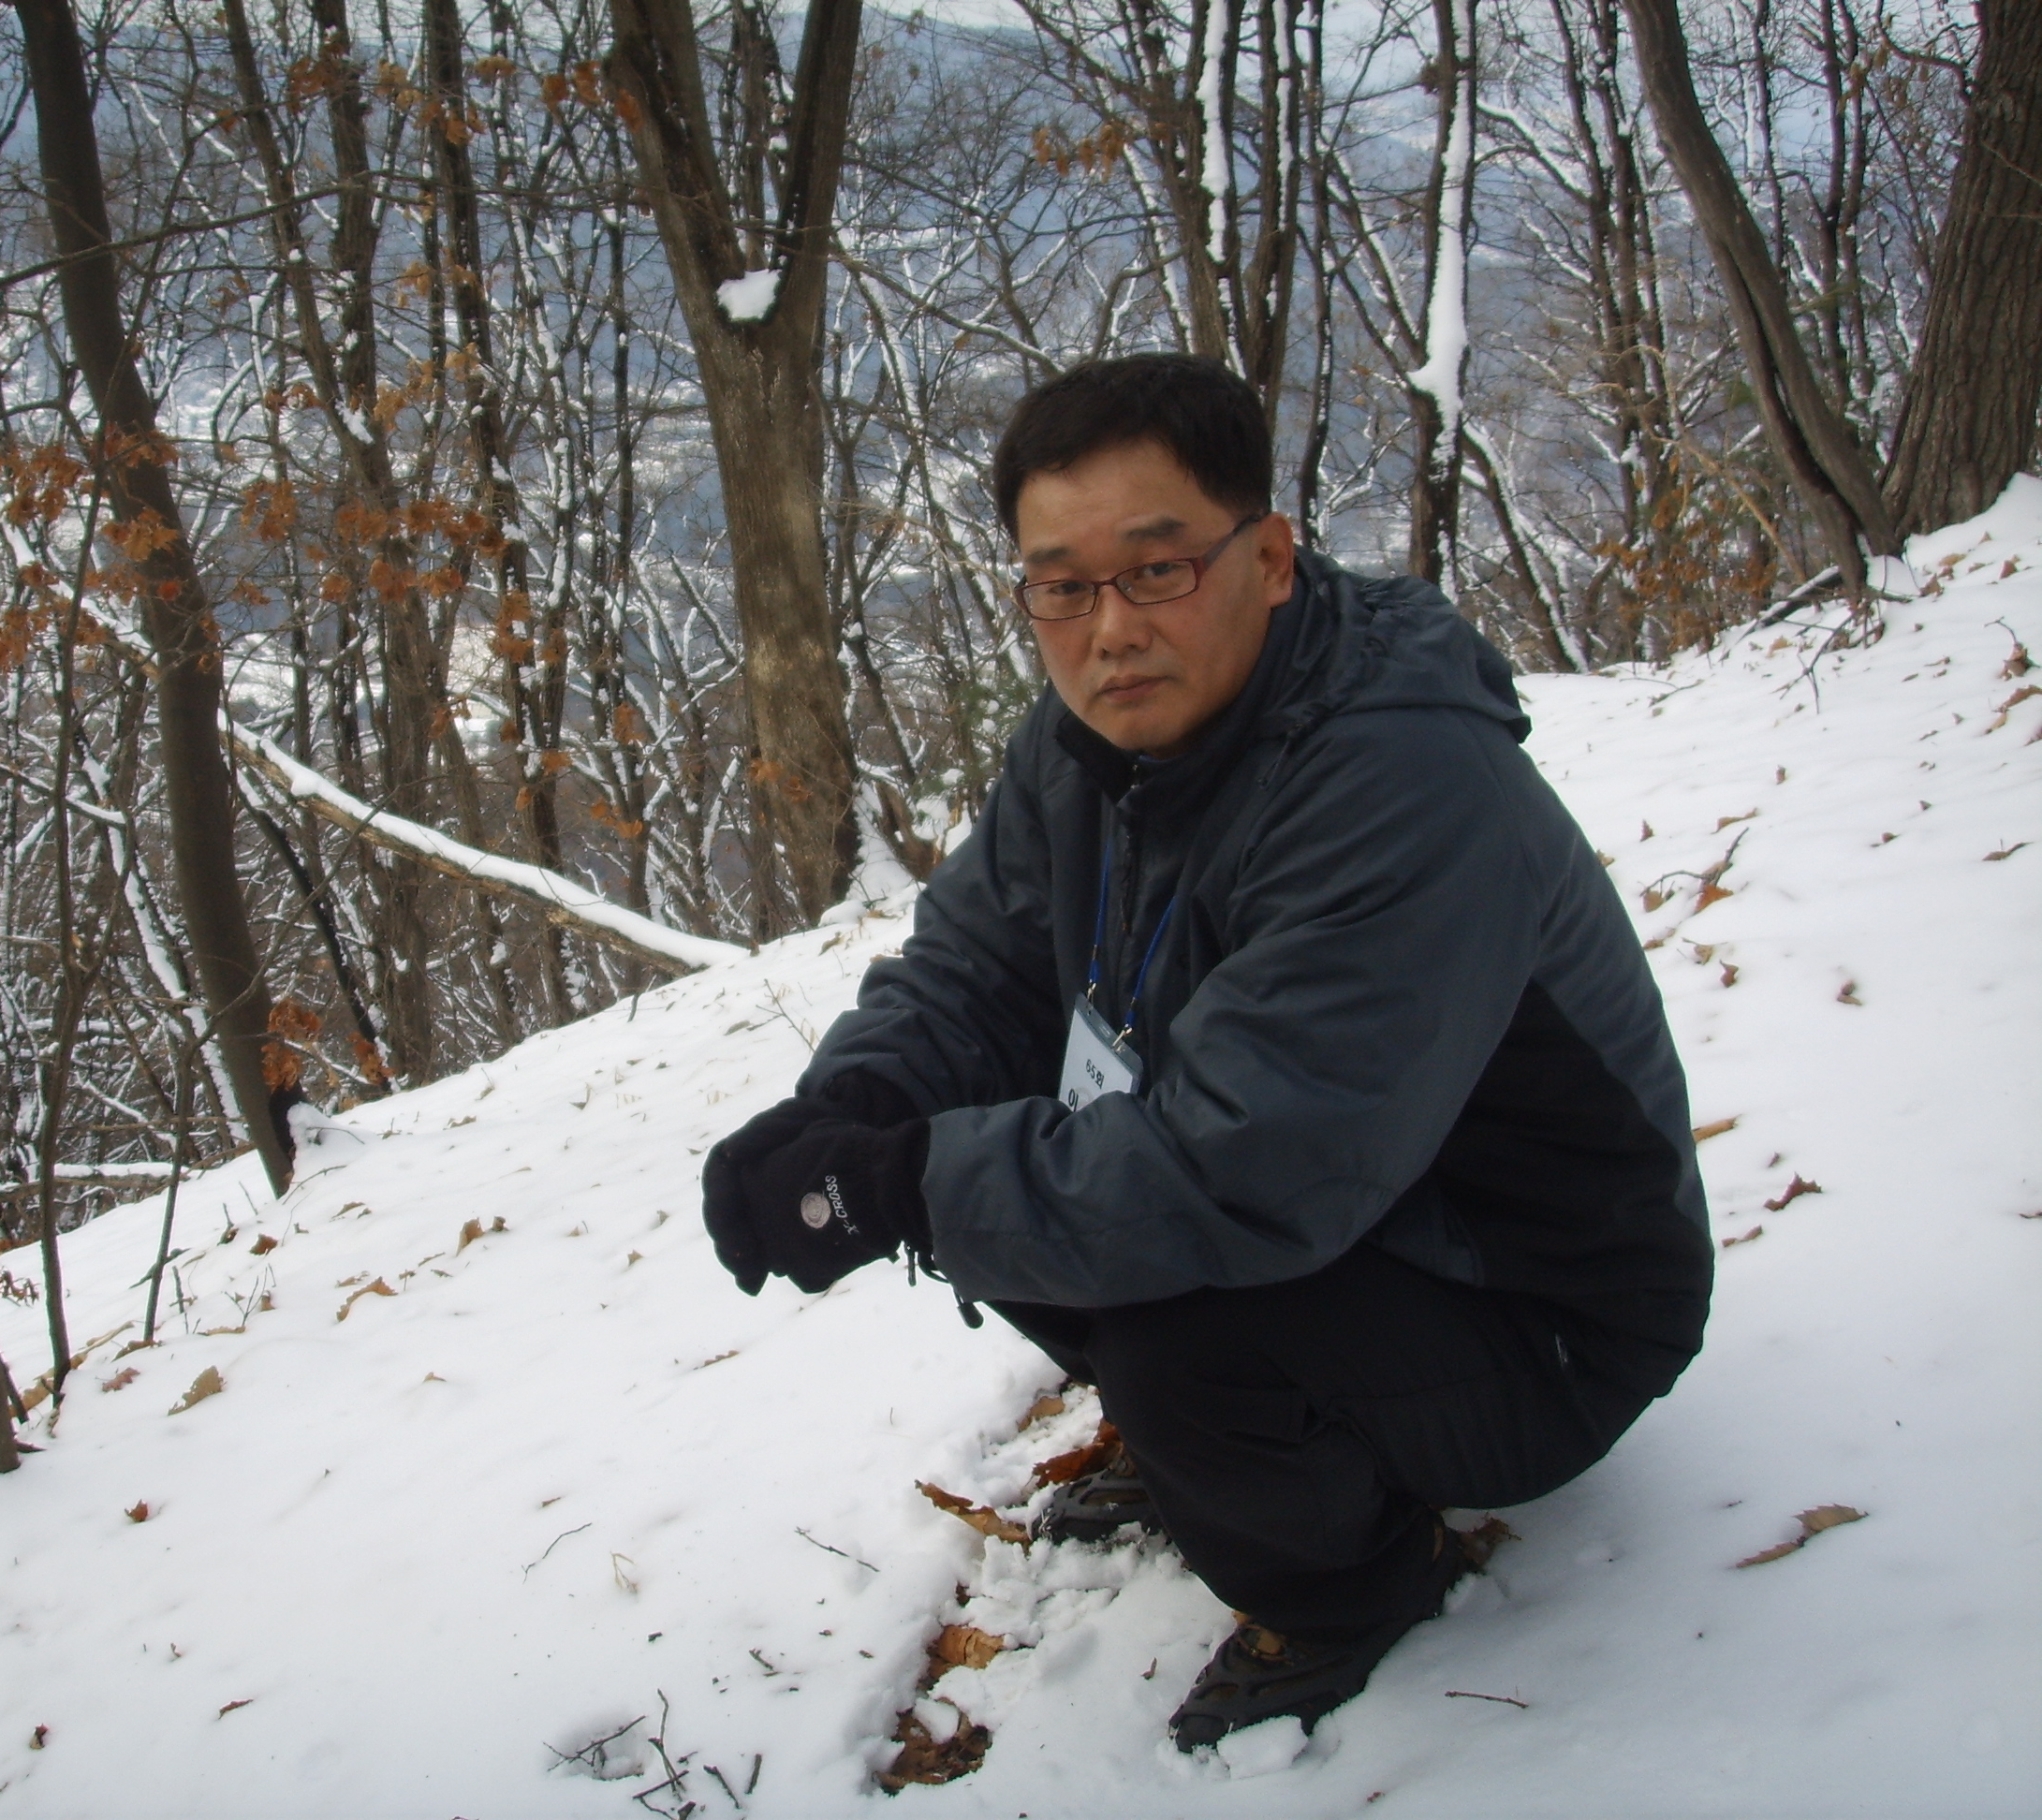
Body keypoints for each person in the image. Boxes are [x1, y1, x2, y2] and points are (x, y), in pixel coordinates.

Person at [701, 353, 1712, 1751]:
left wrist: (900, 1186)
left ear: (1271, 559)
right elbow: (976, 968)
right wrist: (849, 1115)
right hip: (1366, 1216)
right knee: (995, 1167)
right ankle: (1252, 1442)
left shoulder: (1402, 780)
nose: (1109, 629)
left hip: (1542, 1308)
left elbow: (1249, 1169)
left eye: (1158, 569)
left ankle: (1353, 1582)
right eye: (1063, 586)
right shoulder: (1085, 743)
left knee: (1159, 1306)